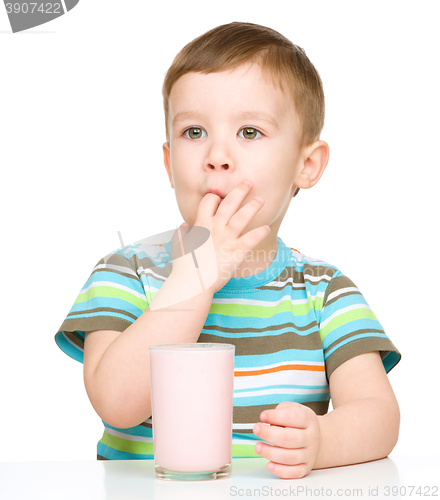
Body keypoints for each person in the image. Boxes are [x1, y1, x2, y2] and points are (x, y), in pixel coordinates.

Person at [55, 21, 401, 479]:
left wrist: (323, 441)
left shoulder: (324, 292)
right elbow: (117, 404)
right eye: (194, 132)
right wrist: (194, 277)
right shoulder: (126, 272)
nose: (217, 155)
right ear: (168, 164)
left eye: (250, 132)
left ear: (307, 164)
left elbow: (379, 415)